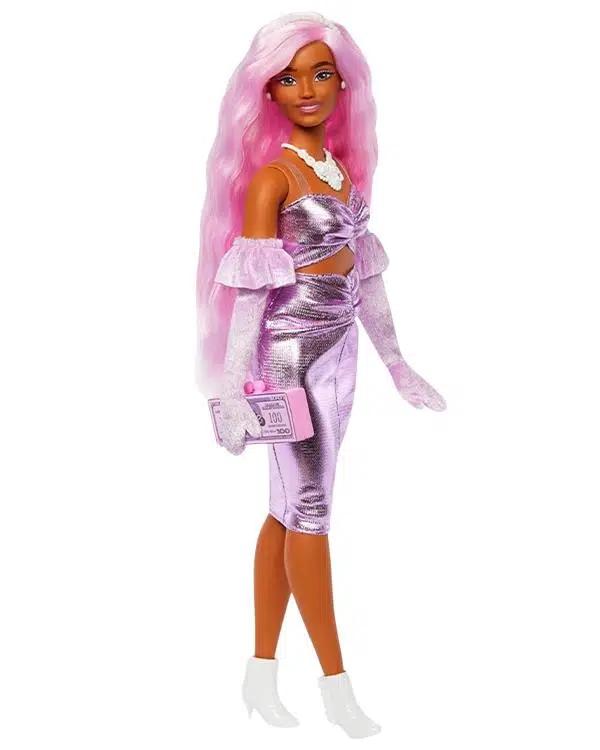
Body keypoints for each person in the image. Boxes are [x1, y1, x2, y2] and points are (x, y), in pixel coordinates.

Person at [195, 12, 446, 739]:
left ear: (343, 83)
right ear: (267, 92)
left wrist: (396, 361)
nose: (306, 89)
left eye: (320, 73)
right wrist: (232, 391)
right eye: (288, 78)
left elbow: (365, 276)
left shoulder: (343, 172)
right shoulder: (271, 180)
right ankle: (338, 686)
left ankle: (259, 673)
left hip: (343, 356)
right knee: (311, 512)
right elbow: (250, 298)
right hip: (291, 361)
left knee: (287, 509)